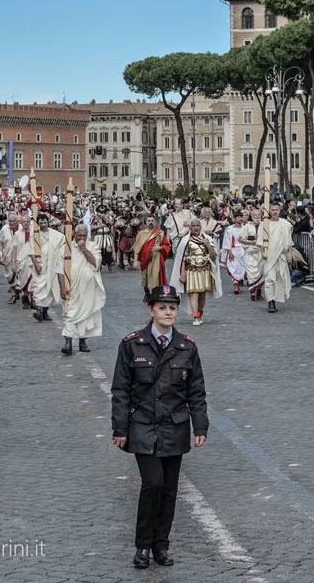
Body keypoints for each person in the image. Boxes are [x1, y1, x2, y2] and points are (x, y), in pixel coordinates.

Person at [111, 285, 209, 570]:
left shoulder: (187, 347)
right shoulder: (132, 344)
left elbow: (196, 391)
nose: (168, 312)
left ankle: (161, 546)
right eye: (162, 307)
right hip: (142, 425)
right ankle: (142, 546)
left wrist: (200, 426)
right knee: (152, 483)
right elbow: (120, 390)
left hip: (174, 426)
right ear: (151, 310)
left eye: (172, 307)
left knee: (168, 489)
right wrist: (120, 429)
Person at [59, 224, 106, 355]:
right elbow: (59, 270)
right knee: (69, 313)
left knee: (86, 315)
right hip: (71, 287)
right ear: (74, 234)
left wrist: (84, 249)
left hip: (88, 289)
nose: (81, 238)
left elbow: (96, 263)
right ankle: (68, 342)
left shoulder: (93, 246)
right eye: (79, 235)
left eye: (84, 236)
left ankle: (82, 341)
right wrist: (62, 287)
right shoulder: (65, 249)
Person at [171, 219, 220, 326]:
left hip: (204, 269)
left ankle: (200, 313)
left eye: (197, 225)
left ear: (200, 227)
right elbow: (182, 258)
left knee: (202, 294)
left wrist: (207, 245)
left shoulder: (208, 239)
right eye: (193, 226)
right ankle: (195, 316)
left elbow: (214, 256)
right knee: (194, 294)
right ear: (190, 227)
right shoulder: (185, 241)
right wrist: (182, 273)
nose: (196, 227)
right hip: (191, 270)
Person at [255, 204, 294, 314]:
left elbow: (289, 241)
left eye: (277, 210)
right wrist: (263, 251)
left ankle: (276, 298)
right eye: (273, 210)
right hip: (269, 256)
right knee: (270, 279)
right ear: (270, 211)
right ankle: (270, 302)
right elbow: (260, 240)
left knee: (280, 278)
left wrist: (289, 253)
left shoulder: (285, 224)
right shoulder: (264, 224)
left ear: (280, 211)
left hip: (281, 255)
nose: (275, 212)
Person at [135, 216, 172, 297]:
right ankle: (147, 294)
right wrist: (135, 261)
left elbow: (167, 245)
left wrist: (160, 247)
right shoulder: (140, 234)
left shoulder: (160, 233)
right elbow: (137, 248)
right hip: (144, 259)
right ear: (145, 222)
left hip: (156, 258)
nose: (150, 222)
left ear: (155, 222)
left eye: (152, 220)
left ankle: (155, 294)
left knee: (155, 276)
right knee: (146, 277)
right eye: (149, 221)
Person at [220, 213, 248, 294]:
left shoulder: (245, 228)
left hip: (243, 250)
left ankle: (239, 282)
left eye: (241, 217)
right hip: (233, 250)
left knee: (242, 267)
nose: (240, 219)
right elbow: (227, 240)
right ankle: (236, 285)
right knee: (234, 267)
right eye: (239, 217)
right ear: (235, 219)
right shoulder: (229, 229)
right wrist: (229, 252)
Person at [241, 208, 264, 300]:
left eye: (258, 215)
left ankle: (259, 292)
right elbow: (240, 239)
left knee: (261, 271)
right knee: (251, 273)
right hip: (250, 252)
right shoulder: (247, 226)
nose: (257, 217)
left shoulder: (264, 225)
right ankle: (252, 292)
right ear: (252, 216)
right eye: (255, 215)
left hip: (260, 252)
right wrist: (252, 242)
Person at [0, 214, 20, 302]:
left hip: (20, 256)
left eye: (13, 221)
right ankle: (13, 294)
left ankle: (18, 293)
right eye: (10, 221)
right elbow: (0, 243)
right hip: (8, 256)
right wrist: (1, 256)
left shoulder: (21, 228)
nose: (11, 223)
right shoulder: (4, 229)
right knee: (10, 276)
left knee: (20, 275)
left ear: (17, 221)